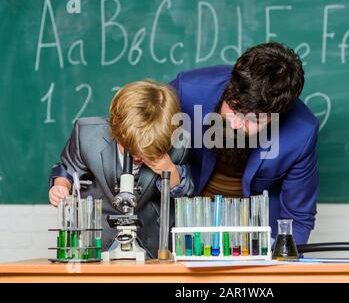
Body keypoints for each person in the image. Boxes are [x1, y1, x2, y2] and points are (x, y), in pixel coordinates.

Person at [170, 42, 319, 245]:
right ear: (230, 86)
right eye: (234, 107)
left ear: (277, 116)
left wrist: (279, 268)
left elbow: (299, 219)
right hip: (180, 224)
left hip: (251, 238)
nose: (236, 123)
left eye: (255, 120)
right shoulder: (186, 91)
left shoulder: (302, 132)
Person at [48, 80, 193, 258]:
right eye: (131, 150)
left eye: (146, 152)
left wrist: (169, 170)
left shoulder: (179, 145)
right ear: (116, 130)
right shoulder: (87, 135)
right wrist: (60, 185)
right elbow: (67, 169)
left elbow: (186, 193)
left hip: (151, 242)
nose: (138, 158)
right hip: (96, 240)